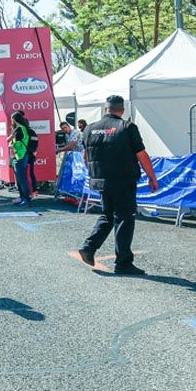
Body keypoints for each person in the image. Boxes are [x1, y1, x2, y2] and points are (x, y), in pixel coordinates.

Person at [77, 95, 159, 276]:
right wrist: (152, 177)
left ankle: (88, 247)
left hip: (101, 180)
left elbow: (85, 158)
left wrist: (95, 174)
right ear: (122, 110)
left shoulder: (90, 129)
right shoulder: (127, 127)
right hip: (123, 180)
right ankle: (123, 263)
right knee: (124, 218)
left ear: (106, 109)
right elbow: (141, 154)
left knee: (107, 215)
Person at [9, 112, 38, 205]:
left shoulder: (19, 129)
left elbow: (16, 143)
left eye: (11, 119)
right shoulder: (24, 129)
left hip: (20, 155)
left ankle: (25, 198)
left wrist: (11, 145)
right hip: (22, 155)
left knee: (21, 178)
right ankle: (23, 198)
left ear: (14, 120)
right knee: (21, 178)